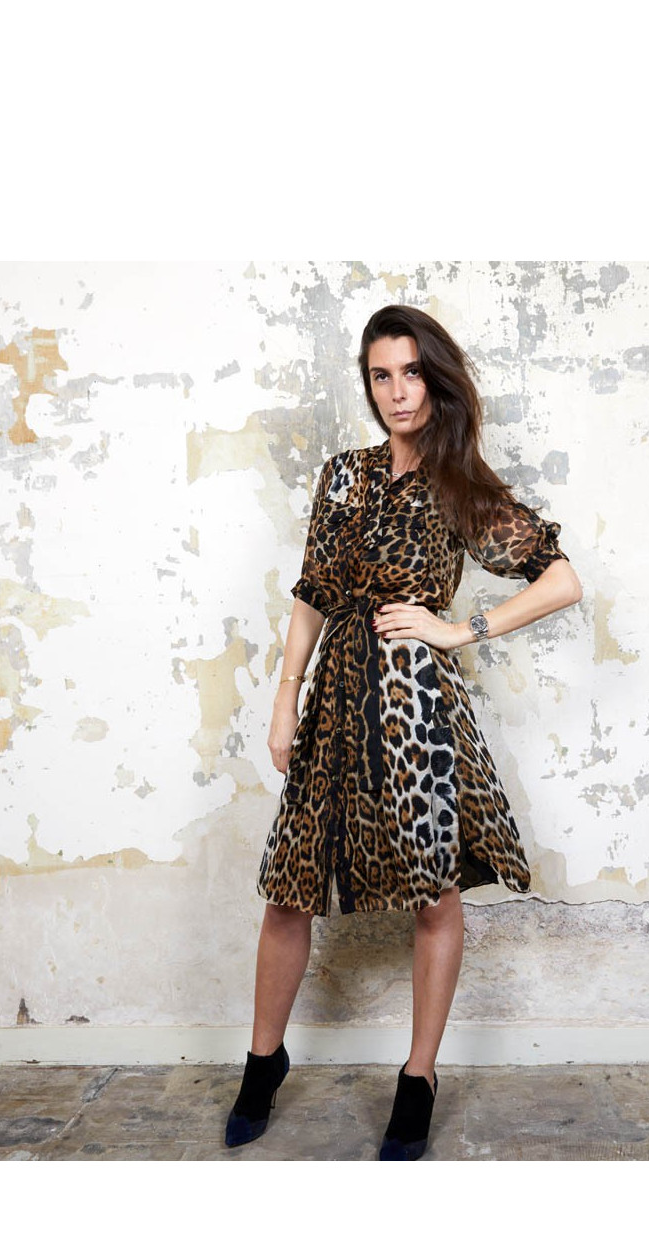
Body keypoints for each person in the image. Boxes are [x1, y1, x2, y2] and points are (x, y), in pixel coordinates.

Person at [226, 303, 583, 1159]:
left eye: (412, 372)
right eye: (381, 375)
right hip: (334, 701)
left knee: (434, 891)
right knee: (291, 887)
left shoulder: (462, 487)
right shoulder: (344, 476)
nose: (397, 392)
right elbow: (313, 594)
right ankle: (263, 1062)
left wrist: (459, 630)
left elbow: (561, 580)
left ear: (437, 380)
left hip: (416, 705)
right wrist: (284, 699)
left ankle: (418, 1077)